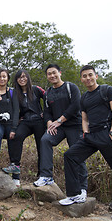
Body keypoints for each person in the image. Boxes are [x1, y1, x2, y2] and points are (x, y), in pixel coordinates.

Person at [59, 65, 112, 221]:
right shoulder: (84, 97)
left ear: (96, 76)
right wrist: (85, 134)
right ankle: (75, 194)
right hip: (91, 136)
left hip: (107, 134)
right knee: (70, 155)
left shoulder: (107, 90)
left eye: (90, 75)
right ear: (81, 79)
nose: (87, 78)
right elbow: (84, 118)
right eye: (84, 76)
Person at [33, 64, 88, 197]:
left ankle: (82, 188)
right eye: (49, 74)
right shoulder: (48, 93)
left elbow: (75, 106)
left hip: (74, 125)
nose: (52, 76)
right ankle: (46, 175)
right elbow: (47, 111)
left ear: (60, 73)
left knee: (76, 153)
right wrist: (49, 122)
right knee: (45, 140)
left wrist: (59, 120)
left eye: (54, 73)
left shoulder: (71, 87)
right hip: (58, 127)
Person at [2, 70, 45, 186]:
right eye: (19, 78)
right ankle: (15, 167)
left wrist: (46, 113)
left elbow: (48, 97)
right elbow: (14, 109)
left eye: (24, 77)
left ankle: (42, 174)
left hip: (39, 121)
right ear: (16, 80)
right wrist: (15, 124)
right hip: (25, 121)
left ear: (28, 78)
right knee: (15, 137)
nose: (22, 79)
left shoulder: (36, 89)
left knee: (42, 145)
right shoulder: (15, 93)